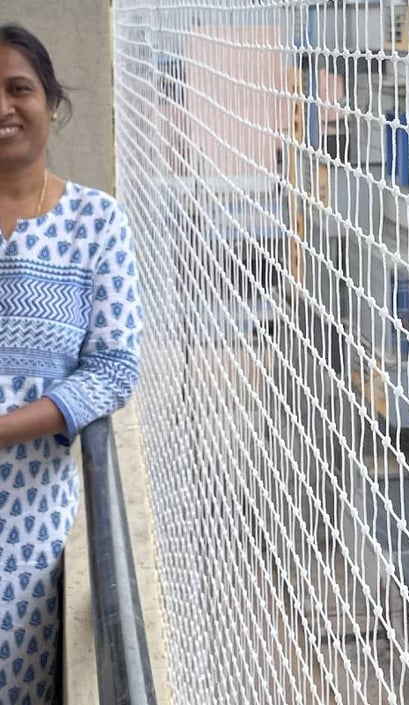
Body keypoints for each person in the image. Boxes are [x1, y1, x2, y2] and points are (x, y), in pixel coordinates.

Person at [0, 23, 142, 702]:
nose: (2, 106)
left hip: (26, 540)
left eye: (17, 88)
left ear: (51, 102)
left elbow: (114, 366)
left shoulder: (96, 221)